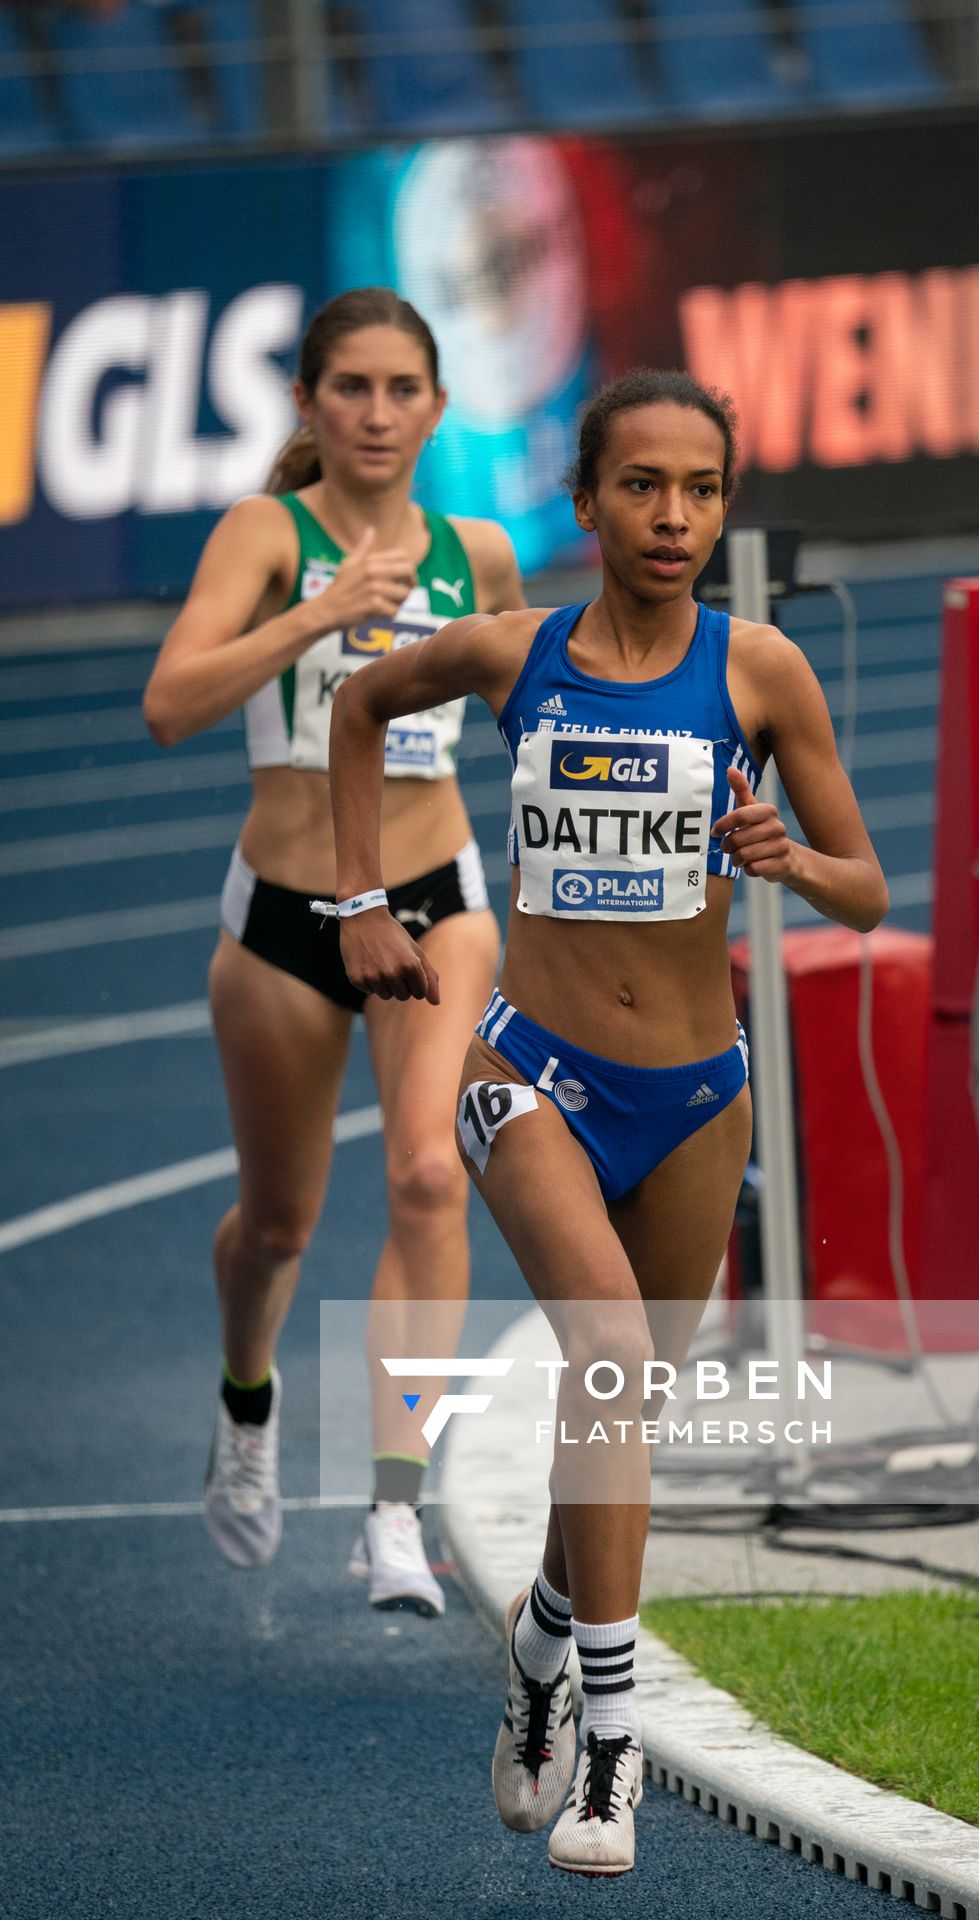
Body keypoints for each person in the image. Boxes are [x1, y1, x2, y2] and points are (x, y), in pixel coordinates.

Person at [325, 367, 889, 1874]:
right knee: (616, 1359)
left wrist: (787, 853)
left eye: (701, 490)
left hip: (699, 1095)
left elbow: (869, 883)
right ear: (586, 502)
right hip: (533, 1075)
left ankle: (541, 1645)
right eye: (642, 486)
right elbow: (361, 703)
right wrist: (364, 899)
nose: (674, 516)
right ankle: (616, 1747)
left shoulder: (761, 671)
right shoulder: (515, 659)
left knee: (620, 1415)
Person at [142, 286, 522, 1613]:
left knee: (430, 1176)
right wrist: (319, 612)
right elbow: (168, 706)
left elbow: (536, 724)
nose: (374, 412)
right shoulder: (267, 532)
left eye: (399, 388)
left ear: (436, 407)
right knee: (278, 1226)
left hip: (435, 897)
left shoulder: (477, 554)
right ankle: (249, 1405)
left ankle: (394, 1513)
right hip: (286, 920)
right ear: (307, 404)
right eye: (348, 387)